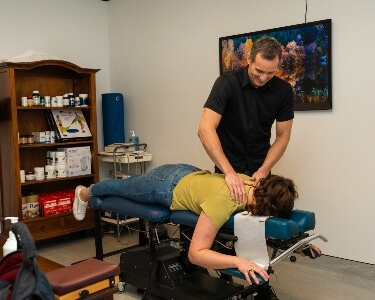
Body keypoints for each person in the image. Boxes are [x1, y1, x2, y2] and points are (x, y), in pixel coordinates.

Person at [72, 164, 321, 285]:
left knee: (126, 185)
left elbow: (270, 221)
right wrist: (237, 261)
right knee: (121, 188)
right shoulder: (224, 201)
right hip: (164, 185)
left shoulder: (256, 184)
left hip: (188, 173)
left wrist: (296, 243)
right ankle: (84, 192)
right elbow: (196, 253)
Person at [198, 36, 294, 204]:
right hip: (226, 171)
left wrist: (264, 170)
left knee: (257, 221)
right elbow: (205, 129)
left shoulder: (284, 91)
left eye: (270, 73)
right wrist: (229, 173)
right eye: (259, 71)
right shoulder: (226, 83)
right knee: (224, 219)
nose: (263, 78)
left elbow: (283, 136)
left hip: (260, 175)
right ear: (249, 59)